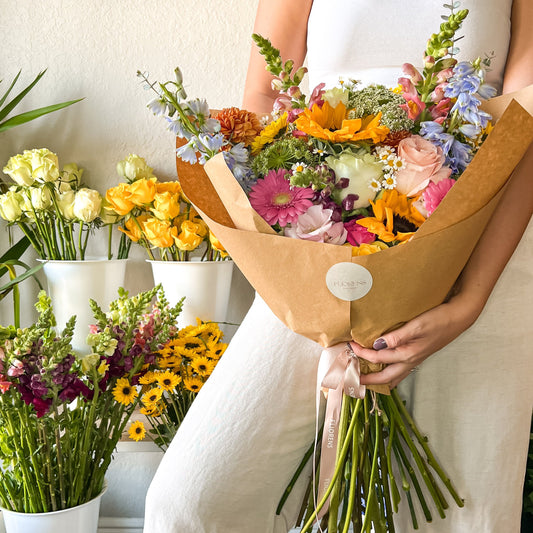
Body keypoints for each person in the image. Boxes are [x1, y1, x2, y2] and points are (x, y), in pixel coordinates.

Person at [144, 1, 533, 531]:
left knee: (466, 518)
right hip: (316, 247)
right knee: (190, 503)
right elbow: (263, 99)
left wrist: (469, 301)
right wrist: (292, 263)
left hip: (482, 253)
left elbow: (526, 124)